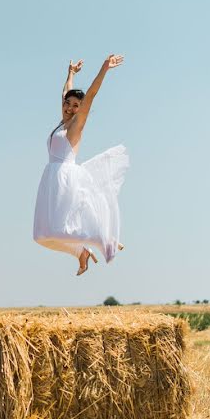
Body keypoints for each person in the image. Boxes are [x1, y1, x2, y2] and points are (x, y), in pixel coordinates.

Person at [33, 55, 128, 275]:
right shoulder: (61, 123)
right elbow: (64, 93)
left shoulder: (76, 125)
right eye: (68, 103)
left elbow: (92, 94)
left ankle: (105, 238)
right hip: (51, 177)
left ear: (80, 109)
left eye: (76, 105)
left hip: (65, 177)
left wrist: (104, 69)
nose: (70, 107)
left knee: (62, 228)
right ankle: (81, 252)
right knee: (42, 235)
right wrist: (71, 74)